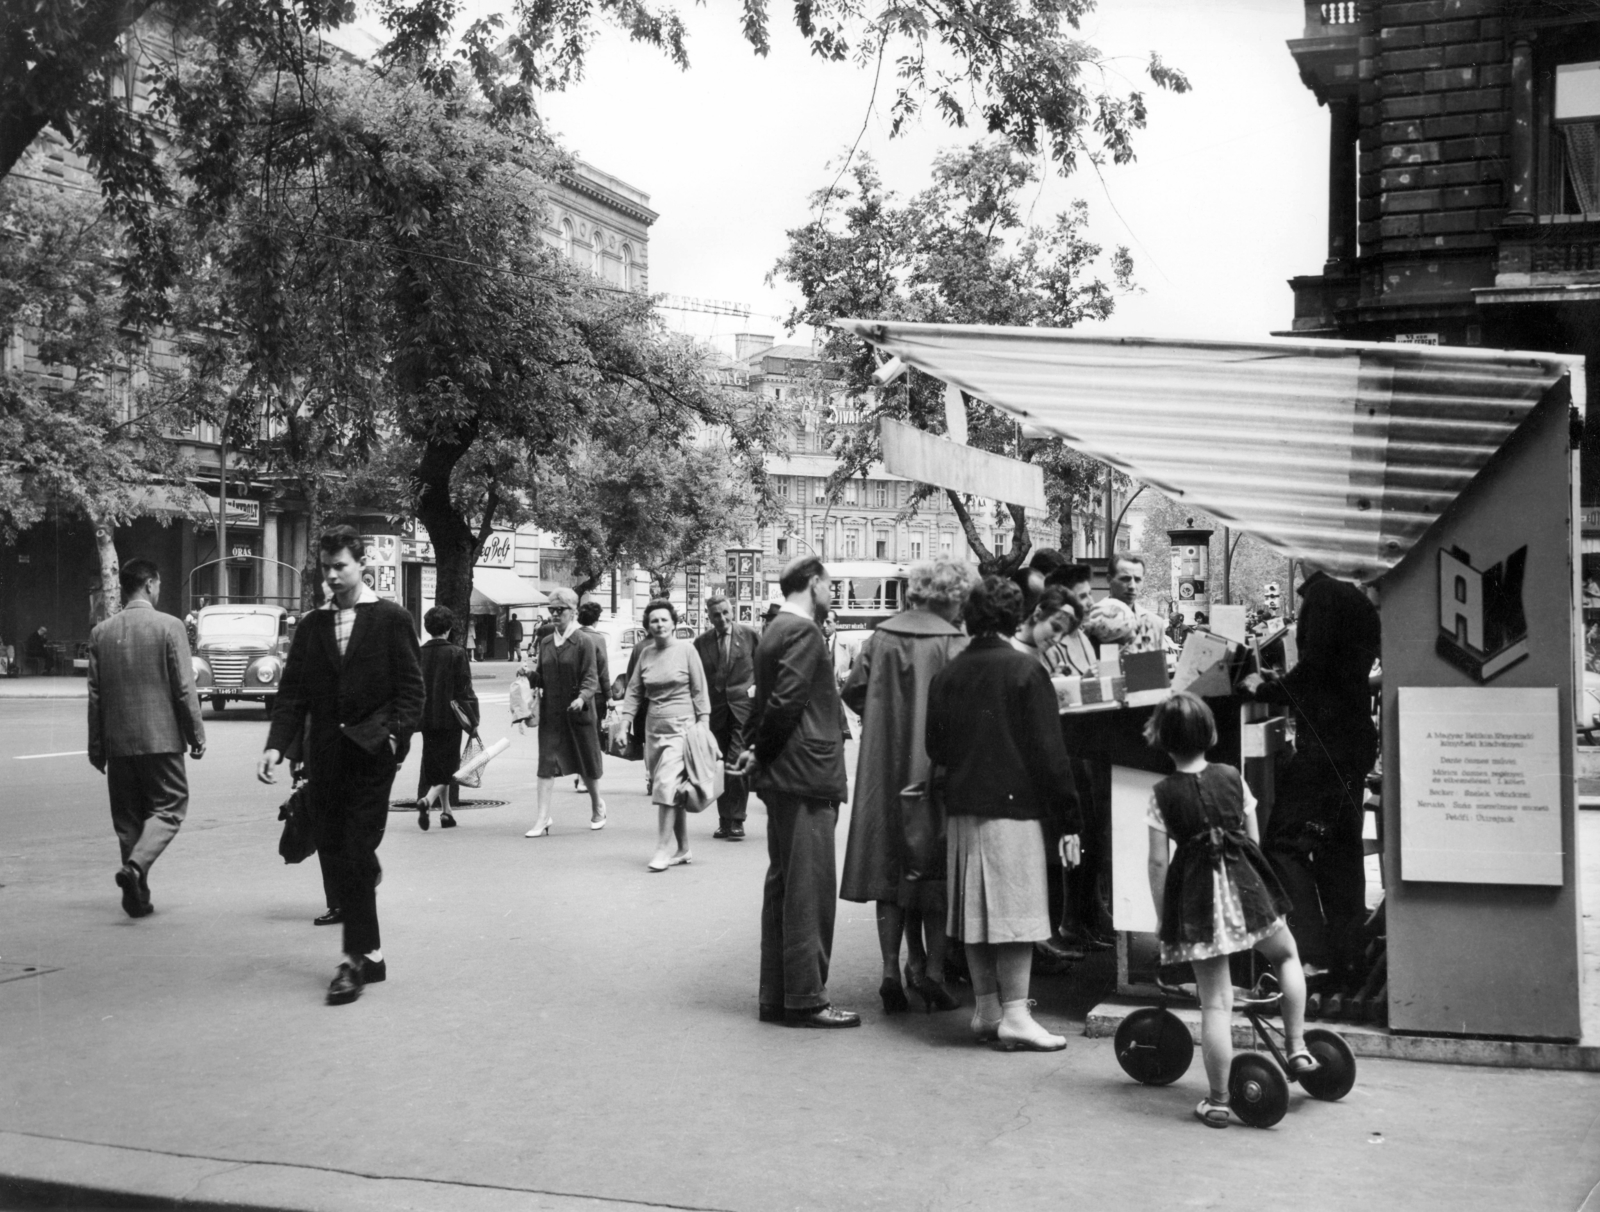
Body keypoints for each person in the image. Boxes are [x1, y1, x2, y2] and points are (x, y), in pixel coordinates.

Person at [258, 526, 425, 1006]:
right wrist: (278, 746)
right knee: (335, 852)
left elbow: (412, 691)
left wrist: (393, 737)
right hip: (325, 757)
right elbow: (293, 694)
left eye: (340, 566)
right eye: (325, 568)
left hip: (372, 756)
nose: (332, 576)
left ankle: (352, 962)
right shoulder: (312, 625)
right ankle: (372, 955)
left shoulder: (391, 619)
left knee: (353, 853)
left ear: (362, 566)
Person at [1143, 692, 1317, 1127]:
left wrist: (1165, 915)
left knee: (1216, 1004)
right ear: (1211, 734)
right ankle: (1296, 1047)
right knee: (1287, 956)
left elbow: (1158, 862)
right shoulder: (1233, 778)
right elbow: (1252, 839)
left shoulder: (1161, 794)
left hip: (1199, 904)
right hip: (1248, 890)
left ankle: (1219, 1100)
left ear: (1162, 742)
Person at [925, 576, 1082, 1051]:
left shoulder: (948, 674)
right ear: (1016, 616)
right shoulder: (1024, 671)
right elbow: (1050, 755)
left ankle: (987, 1008)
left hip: (962, 806)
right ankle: (1016, 1014)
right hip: (1014, 808)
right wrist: (1069, 820)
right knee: (1016, 912)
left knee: (974, 911)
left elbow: (936, 746)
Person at [729, 556, 859, 1028]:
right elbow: (785, 702)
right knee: (809, 889)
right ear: (815, 583)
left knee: (785, 884)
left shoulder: (775, 630)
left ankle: (779, 995)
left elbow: (763, 701)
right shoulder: (804, 632)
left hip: (785, 774)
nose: (834, 593)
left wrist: (755, 752)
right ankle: (806, 997)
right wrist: (760, 753)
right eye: (831, 584)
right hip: (807, 772)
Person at [841, 558, 972, 1014]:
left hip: (883, 763)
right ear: (951, 596)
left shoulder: (881, 635)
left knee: (887, 866)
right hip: (935, 768)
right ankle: (933, 973)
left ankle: (890, 972)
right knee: (934, 868)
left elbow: (854, 689)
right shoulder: (955, 641)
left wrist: (882, 714)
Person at [1242, 564, 1381, 997]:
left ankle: (1310, 953)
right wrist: (1282, 682)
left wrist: (1262, 688)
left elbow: (1316, 670)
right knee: (1340, 851)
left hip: (1326, 747)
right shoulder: (1355, 597)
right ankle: (1347, 956)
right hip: (1350, 742)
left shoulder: (1322, 597)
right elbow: (1333, 671)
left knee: (1284, 844)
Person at [87, 559, 206, 918]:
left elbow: (95, 697)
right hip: (161, 739)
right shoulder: (170, 626)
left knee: (128, 820)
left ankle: (136, 898)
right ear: (151, 584)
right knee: (169, 808)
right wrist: (196, 734)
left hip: (119, 743)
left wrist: (97, 748)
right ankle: (136, 868)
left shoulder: (101, 633)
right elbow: (185, 688)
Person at [621, 599, 711, 870]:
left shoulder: (687, 650)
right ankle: (683, 849)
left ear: (673, 623)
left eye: (663, 619)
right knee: (673, 791)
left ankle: (662, 850)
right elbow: (634, 691)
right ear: (647, 626)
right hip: (654, 730)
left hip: (683, 729)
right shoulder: (646, 653)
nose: (659, 624)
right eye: (653, 621)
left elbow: (700, 690)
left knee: (665, 786)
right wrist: (625, 725)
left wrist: (703, 726)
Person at [522, 587, 605, 836]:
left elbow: (592, 678)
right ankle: (542, 818)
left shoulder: (584, 641)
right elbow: (543, 677)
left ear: (573, 612)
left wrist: (581, 698)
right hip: (552, 714)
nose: (555, 615)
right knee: (546, 765)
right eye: (552, 610)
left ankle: (597, 806)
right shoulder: (546, 641)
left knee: (586, 764)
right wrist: (529, 675)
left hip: (578, 713)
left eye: (561, 610)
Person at [693, 593, 759, 841]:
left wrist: (759, 697)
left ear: (732, 612)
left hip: (743, 709)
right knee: (718, 766)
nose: (721, 618)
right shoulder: (701, 643)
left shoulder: (749, 636)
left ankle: (738, 819)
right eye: (715, 615)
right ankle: (724, 820)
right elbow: (696, 679)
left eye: (725, 613)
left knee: (735, 761)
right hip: (715, 711)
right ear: (708, 617)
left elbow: (762, 666)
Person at [416, 605, 476, 831]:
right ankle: (427, 801)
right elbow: (464, 690)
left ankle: (446, 812)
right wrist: (473, 720)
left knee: (434, 764)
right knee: (449, 766)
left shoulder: (419, 652)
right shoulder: (457, 653)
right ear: (449, 628)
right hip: (451, 718)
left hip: (426, 718)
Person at [576, 599, 613, 782]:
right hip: (595, 693)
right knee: (593, 734)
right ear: (596, 619)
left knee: (578, 733)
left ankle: (579, 771)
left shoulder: (573, 636)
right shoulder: (598, 638)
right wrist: (609, 696)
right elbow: (603, 669)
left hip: (574, 693)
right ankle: (587, 775)